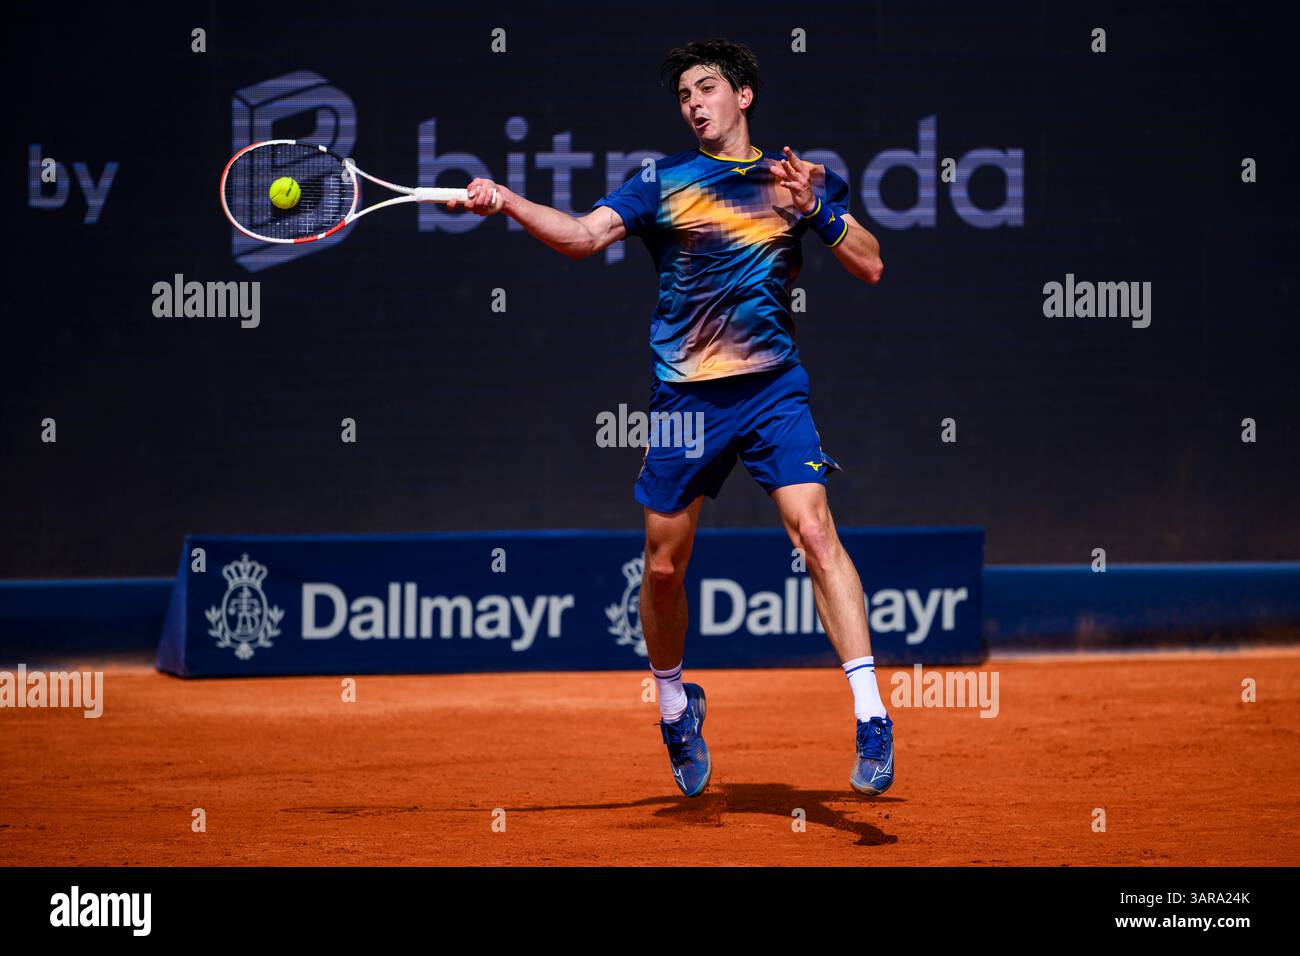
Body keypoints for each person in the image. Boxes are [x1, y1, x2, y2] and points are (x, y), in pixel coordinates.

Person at [447, 37, 893, 798]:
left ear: (743, 96)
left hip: (773, 389)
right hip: (686, 400)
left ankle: (872, 715)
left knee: (816, 531)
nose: (693, 103)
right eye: (684, 94)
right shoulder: (662, 181)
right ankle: (675, 706)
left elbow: (871, 262)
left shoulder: (797, 178)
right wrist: (508, 202)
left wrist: (817, 209)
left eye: (706, 87)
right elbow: (584, 238)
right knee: (661, 567)